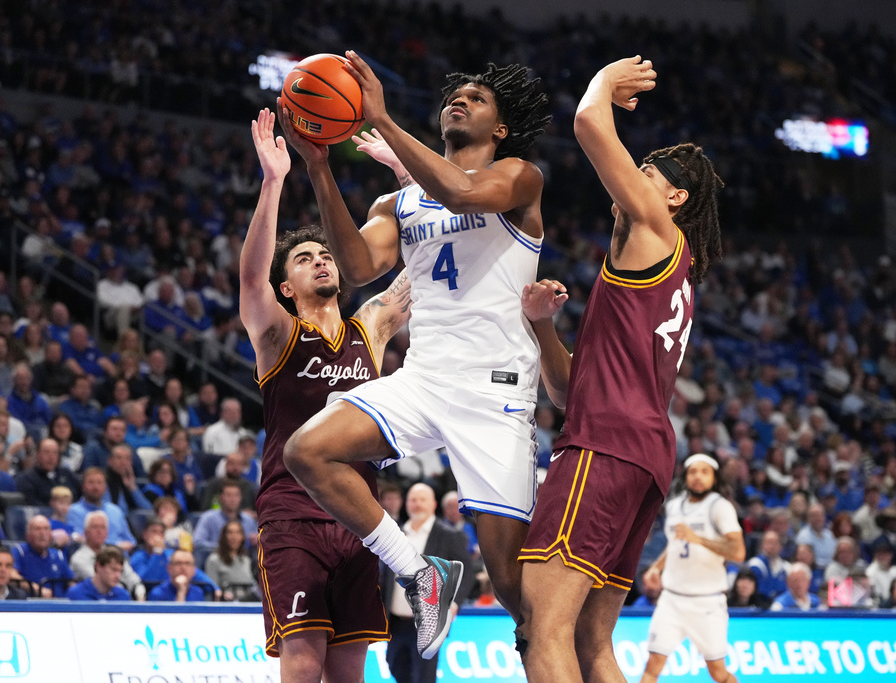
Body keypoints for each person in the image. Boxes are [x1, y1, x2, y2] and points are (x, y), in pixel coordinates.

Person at [279, 51, 551, 659]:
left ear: (500, 128)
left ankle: (564, 658)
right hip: (424, 379)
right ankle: (421, 573)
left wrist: (382, 117)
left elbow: (460, 192)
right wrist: (320, 168)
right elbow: (354, 268)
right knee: (308, 450)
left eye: (477, 99)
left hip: (494, 390)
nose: (460, 100)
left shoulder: (519, 176)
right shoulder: (395, 206)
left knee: (513, 587)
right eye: (455, 95)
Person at [515, 56, 724, 682]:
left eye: (646, 172)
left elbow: (586, 123)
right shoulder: (663, 269)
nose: (631, 177)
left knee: (541, 627)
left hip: (604, 447)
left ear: (676, 197)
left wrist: (605, 81)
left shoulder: (658, 230)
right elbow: (565, 389)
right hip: (637, 450)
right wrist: (542, 325)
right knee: (589, 640)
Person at [238, 107, 417, 681]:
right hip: (292, 516)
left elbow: (429, 263)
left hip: (360, 518)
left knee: (348, 669)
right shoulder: (278, 334)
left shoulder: (370, 326)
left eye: (325, 255)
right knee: (303, 659)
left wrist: (408, 181)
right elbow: (249, 278)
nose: (319, 261)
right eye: (303, 259)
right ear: (286, 286)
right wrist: (273, 182)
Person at [639, 455, 745, 683]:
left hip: (707, 602)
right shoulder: (675, 506)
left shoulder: (720, 507)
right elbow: (676, 544)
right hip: (671, 600)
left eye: (704, 472)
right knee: (652, 666)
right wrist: (656, 568)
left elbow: (738, 552)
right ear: (685, 476)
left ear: (714, 478)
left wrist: (699, 539)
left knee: (718, 673)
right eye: (693, 471)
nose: (698, 476)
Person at [380, 483, 476, 683]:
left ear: (433, 504)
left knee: (424, 677)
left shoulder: (449, 535)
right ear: (406, 504)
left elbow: (466, 572)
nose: (417, 504)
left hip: (428, 622)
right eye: (413, 500)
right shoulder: (397, 534)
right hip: (396, 622)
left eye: (422, 499)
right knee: (396, 667)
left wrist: (454, 603)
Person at [69, 511, 143, 598]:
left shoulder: (115, 554)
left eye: (103, 527)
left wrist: (139, 591)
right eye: (95, 527)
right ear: (86, 532)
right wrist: (123, 592)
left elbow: (132, 578)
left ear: (107, 533)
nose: (99, 531)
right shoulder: (78, 558)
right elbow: (102, 581)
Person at [66, 467, 137, 551]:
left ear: (105, 487)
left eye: (100, 483)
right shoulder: (72, 511)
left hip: (119, 559)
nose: (95, 487)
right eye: (91, 482)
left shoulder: (116, 511)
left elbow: (130, 541)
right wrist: (115, 545)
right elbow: (79, 539)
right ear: (83, 486)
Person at [11, 514, 73, 597]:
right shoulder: (20, 551)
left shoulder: (58, 555)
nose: (42, 533)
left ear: (51, 534)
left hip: (59, 605)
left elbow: (71, 581)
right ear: (27, 535)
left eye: (46, 529)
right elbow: (11, 575)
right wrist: (37, 589)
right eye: (37, 529)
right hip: (30, 605)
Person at [191, 481, 258, 552]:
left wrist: (256, 540)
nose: (232, 499)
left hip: (244, 560)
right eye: (228, 495)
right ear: (221, 497)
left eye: (236, 495)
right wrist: (225, 548)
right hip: (215, 559)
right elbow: (197, 542)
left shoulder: (249, 520)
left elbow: (259, 539)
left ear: (241, 497)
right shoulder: (208, 518)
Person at [14, 437, 79, 506]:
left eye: (55, 453)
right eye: (46, 452)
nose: (51, 457)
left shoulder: (67, 474)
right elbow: (32, 504)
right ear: (37, 454)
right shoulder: (26, 479)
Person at [204, 519, 256, 601]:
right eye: (230, 532)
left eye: (238, 532)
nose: (234, 537)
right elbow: (212, 590)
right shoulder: (214, 560)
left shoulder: (247, 560)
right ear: (223, 536)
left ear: (243, 537)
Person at [65, 546, 131, 601]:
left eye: (120, 571)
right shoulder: (76, 594)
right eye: (113, 570)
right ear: (98, 566)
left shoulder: (123, 597)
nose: (117, 576)